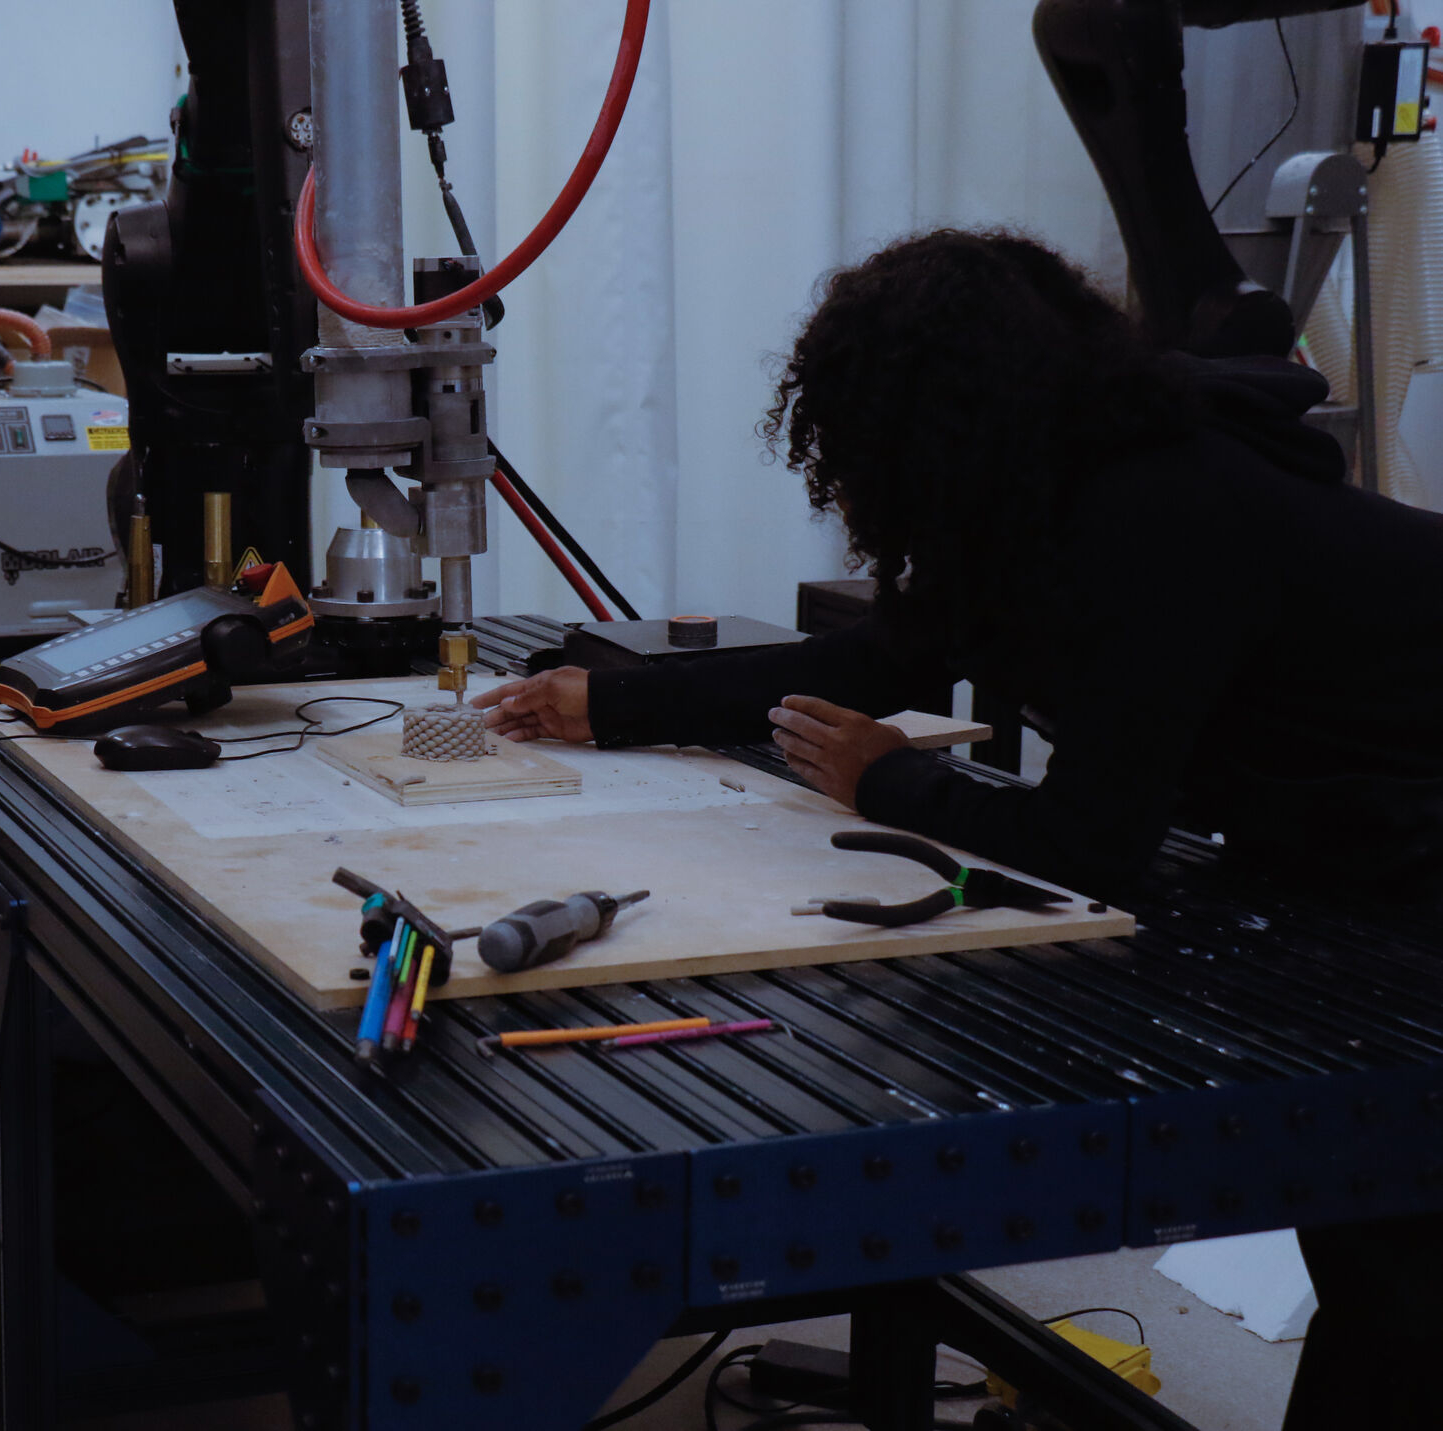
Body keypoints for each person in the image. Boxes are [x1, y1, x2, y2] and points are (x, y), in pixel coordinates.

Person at [473, 230, 1443, 1429]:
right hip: (1360, 837)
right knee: (1380, 1245)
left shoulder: (1156, 509)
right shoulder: (1053, 491)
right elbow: (886, 657)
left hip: (1408, 854)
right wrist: (610, 701)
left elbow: (1094, 841)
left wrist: (891, 787)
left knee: (1399, 1262)